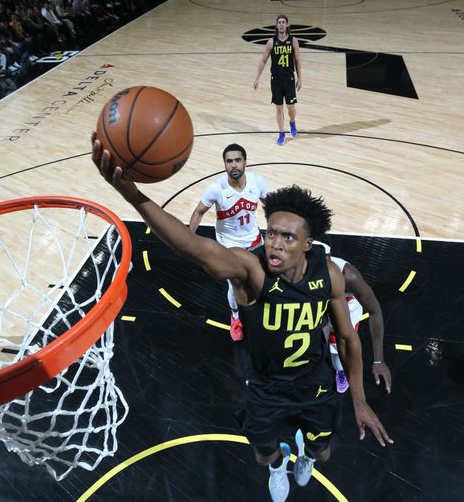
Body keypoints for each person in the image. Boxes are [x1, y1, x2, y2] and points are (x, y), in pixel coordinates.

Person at [92, 137, 392, 502]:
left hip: (313, 385)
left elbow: (346, 339)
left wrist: (359, 401)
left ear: (308, 244)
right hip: (264, 387)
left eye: (287, 237)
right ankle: (279, 465)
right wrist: (132, 195)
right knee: (264, 454)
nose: (274, 244)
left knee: (322, 453)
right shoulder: (251, 270)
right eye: (270, 234)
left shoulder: (328, 274)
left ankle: (305, 456)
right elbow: (191, 246)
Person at [188, 144, 268, 340]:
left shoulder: (257, 182)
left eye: (237, 160)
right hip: (229, 244)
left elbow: (272, 206)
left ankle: (261, 312)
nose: (234, 165)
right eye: (229, 161)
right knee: (235, 284)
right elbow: (199, 212)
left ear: (245, 162)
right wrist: (188, 240)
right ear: (224, 164)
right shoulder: (216, 189)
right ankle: (235, 317)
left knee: (262, 279)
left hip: (254, 239)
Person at [313, 242, 391, 394]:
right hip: (318, 311)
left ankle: (341, 372)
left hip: (345, 314)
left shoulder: (349, 275)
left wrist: (379, 360)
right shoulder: (301, 268)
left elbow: (375, 311)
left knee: (338, 355)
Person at [253, 14, 302, 146]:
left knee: (291, 107)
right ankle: (281, 133)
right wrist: (257, 78)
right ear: (276, 25)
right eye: (279, 22)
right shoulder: (271, 42)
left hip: (289, 78)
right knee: (279, 109)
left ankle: (292, 122)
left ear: (287, 25)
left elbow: (297, 61)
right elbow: (263, 61)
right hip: (276, 80)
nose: (281, 24)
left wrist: (300, 78)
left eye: (283, 22)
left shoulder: (293, 41)